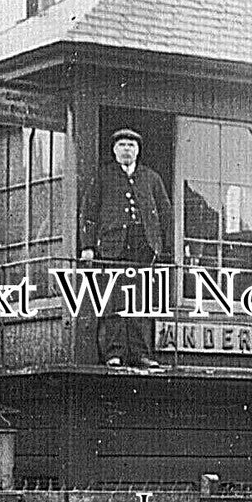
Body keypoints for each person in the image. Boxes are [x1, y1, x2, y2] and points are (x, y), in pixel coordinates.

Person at [80, 128, 173, 368]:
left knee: (140, 300)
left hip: (143, 246)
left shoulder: (151, 178)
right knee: (114, 299)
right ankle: (114, 352)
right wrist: (88, 246)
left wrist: (165, 248)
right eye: (122, 145)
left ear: (138, 150)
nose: (127, 149)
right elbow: (89, 212)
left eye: (131, 145)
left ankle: (141, 353)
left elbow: (165, 214)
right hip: (113, 245)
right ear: (114, 150)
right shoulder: (103, 177)